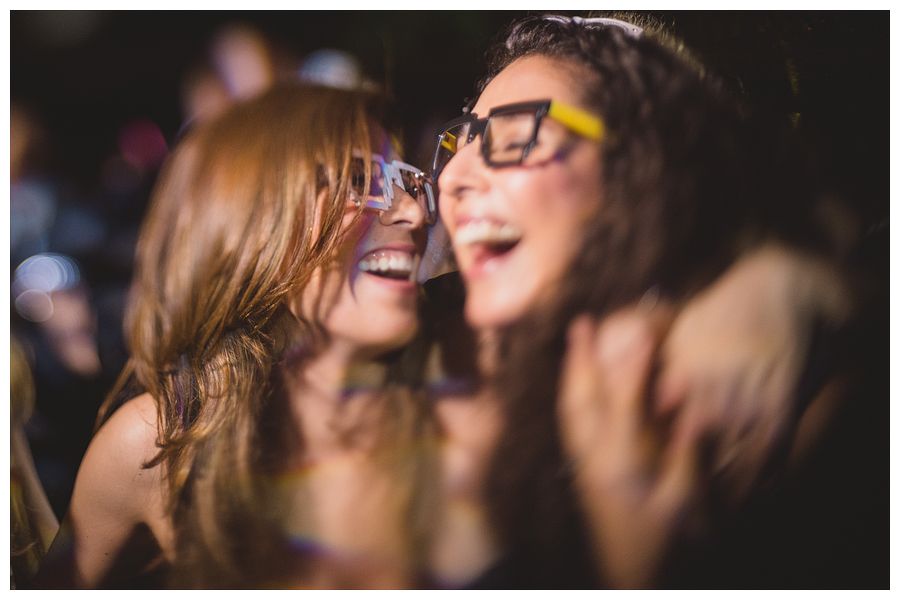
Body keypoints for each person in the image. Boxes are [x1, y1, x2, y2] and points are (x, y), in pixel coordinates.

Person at [424, 14, 857, 588]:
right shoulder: (509, 364)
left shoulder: (741, 396)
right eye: (462, 141)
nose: (452, 177)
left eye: (514, 133)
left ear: (639, 164)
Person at [32, 83, 439, 589]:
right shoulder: (158, 446)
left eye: (411, 183)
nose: (414, 212)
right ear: (255, 214)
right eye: (360, 178)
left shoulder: (452, 413)